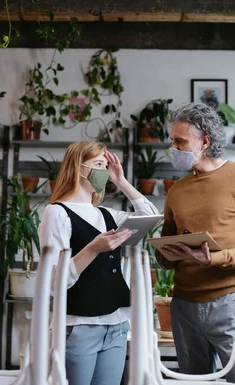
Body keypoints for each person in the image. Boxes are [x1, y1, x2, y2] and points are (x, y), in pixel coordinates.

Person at [155, 102, 235, 382]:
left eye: (180, 141)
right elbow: (165, 256)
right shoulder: (176, 191)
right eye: (172, 140)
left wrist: (213, 259)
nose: (173, 147)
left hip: (230, 303)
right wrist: (167, 251)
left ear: (204, 141)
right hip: (183, 305)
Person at [38, 141, 160, 385]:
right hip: (79, 326)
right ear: (78, 167)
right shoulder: (57, 213)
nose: (104, 171)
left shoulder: (107, 214)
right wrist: (93, 248)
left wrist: (121, 182)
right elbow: (53, 282)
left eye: (106, 165)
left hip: (116, 325)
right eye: (98, 165)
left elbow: (151, 218)